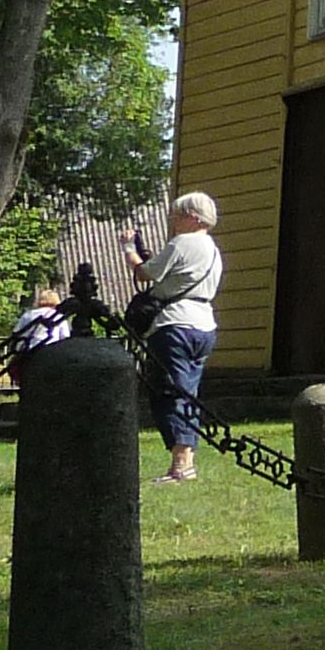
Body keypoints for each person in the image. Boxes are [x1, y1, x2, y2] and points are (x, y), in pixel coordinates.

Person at [132, 194, 225, 483]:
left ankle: (181, 464)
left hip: (175, 325)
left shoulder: (182, 243)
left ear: (194, 217)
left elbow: (145, 274)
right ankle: (187, 460)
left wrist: (127, 249)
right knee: (188, 391)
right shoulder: (213, 250)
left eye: (178, 215)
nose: (173, 221)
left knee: (168, 392)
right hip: (204, 325)